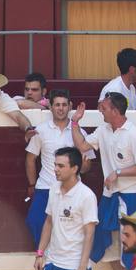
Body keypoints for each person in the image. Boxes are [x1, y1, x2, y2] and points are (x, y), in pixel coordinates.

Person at [69, 92, 136, 270]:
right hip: (109, 196)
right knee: (111, 243)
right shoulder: (104, 130)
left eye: (103, 108)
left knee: (130, 245)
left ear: (115, 110)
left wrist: (118, 172)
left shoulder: (135, 134)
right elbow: (83, 147)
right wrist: (75, 121)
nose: (100, 111)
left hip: (131, 196)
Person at [32, 146, 97, 270]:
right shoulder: (54, 189)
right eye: (55, 165)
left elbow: (89, 233)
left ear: (75, 168)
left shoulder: (86, 196)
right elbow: (49, 222)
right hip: (53, 264)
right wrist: (40, 253)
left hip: (72, 269)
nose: (56, 169)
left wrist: (82, 268)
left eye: (61, 165)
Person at [24, 90, 79, 246]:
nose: (60, 108)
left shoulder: (78, 132)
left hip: (70, 189)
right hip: (45, 187)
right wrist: (32, 184)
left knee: (69, 229)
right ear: (50, 106)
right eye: (57, 105)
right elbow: (30, 159)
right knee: (35, 221)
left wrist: (84, 166)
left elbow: (86, 164)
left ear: (70, 106)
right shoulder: (40, 130)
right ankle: (44, 256)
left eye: (64, 105)